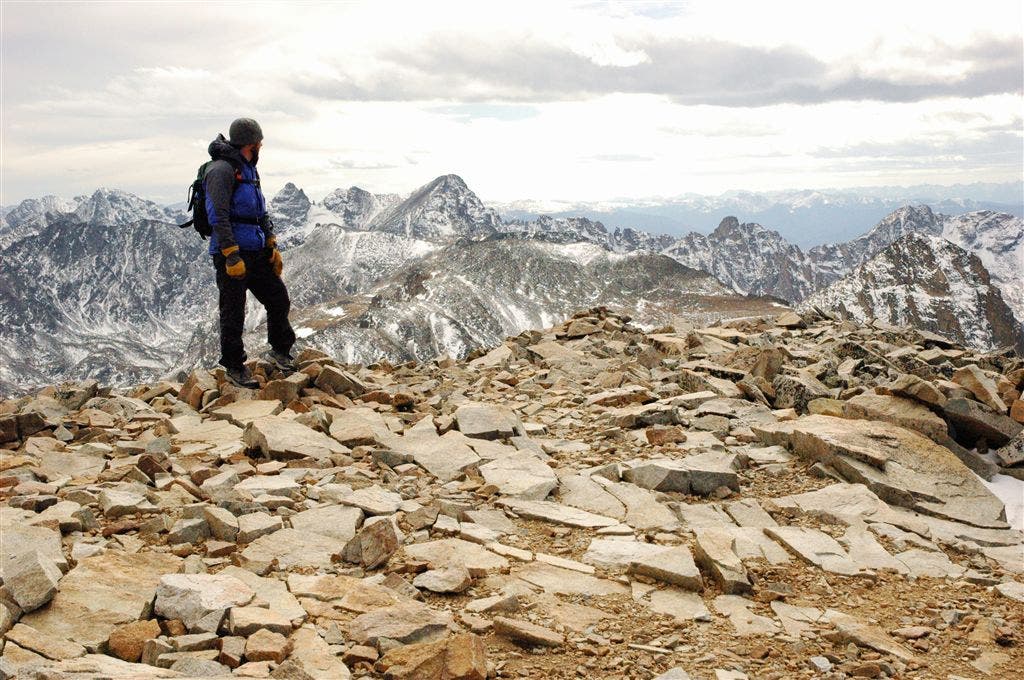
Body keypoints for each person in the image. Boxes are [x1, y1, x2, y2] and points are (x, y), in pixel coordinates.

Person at [205, 117, 296, 388]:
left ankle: (280, 351)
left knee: (278, 298)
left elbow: (260, 212)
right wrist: (231, 254)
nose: (261, 148)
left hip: (255, 250)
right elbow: (217, 215)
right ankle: (234, 366)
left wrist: (270, 241)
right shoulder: (222, 170)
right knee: (233, 310)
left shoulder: (248, 170)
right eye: (259, 143)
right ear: (251, 144)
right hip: (231, 253)